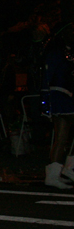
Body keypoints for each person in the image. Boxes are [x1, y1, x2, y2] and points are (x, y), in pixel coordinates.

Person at [42, 23, 74, 188]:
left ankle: (67, 168)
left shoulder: (67, 52)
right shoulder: (55, 52)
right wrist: (46, 103)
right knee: (61, 136)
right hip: (58, 95)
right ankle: (56, 174)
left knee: (64, 136)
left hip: (67, 96)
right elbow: (47, 77)